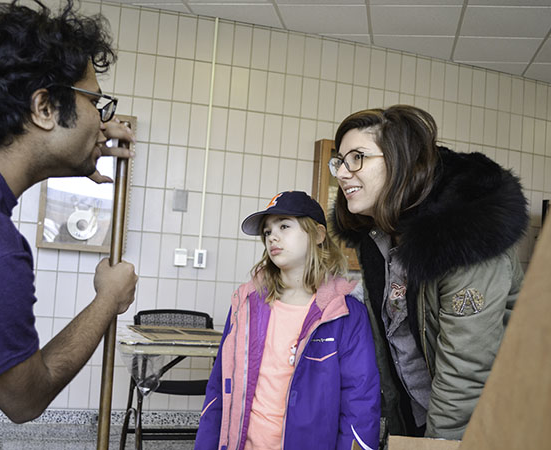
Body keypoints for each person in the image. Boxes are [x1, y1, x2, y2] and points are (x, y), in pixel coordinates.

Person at [0, 0, 138, 423]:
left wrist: (82, 144)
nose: (102, 121)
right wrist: (108, 300)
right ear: (43, 108)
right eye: (95, 103)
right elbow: (24, 399)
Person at [328, 105, 528, 440]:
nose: (343, 173)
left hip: (484, 426)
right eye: (340, 161)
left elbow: (465, 375)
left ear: (401, 159)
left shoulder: (463, 236)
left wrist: (435, 445)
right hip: (422, 419)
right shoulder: (377, 239)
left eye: (357, 158)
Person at [195, 191, 381, 450]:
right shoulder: (245, 305)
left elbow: (360, 405)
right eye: (268, 231)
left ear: (317, 235)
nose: (273, 237)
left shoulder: (345, 313)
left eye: (284, 225)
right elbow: (218, 390)